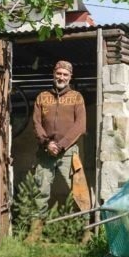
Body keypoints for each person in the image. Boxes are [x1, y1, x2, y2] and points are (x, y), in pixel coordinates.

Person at [26, 60, 86, 240]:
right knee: (40, 189)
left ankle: (86, 230)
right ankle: (35, 232)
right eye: (59, 74)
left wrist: (61, 145)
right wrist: (47, 143)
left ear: (70, 77)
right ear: (53, 74)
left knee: (78, 188)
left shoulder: (77, 97)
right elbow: (36, 123)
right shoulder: (42, 96)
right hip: (45, 151)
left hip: (68, 151)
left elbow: (80, 125)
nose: (61, 77)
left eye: (65, 75)